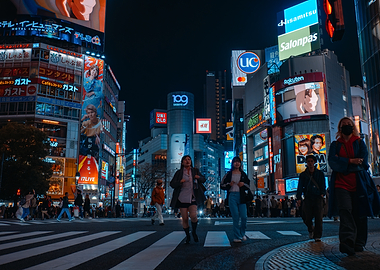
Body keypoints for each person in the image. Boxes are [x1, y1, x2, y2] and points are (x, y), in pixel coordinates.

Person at [328, 117, 380, 255]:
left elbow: (363, 162)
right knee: (345, 211)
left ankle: (359, 242)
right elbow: (333, 162)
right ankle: (347, 241)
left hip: (359, 183)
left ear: (353, 127)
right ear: (339, 128)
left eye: (349, 124)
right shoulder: (335, 144)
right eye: (343, 125)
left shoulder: (359, 143)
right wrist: (351, 161)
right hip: (341, 184)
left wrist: (344, 164)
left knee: (360, 213)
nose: (346, 126)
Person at [170, 155, 206, 244]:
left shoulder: (195, 171)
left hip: (193, 197)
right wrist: (179, 182)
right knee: (185, 218)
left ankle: (193, 231)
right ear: (182, 162)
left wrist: (198, 177)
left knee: (193, 216)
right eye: (185, 160)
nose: (187, 161)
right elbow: (172, 184)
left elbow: (203, 179)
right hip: (182, 197)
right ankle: (188, 236)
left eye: (189, 159)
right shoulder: (179, 172)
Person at [220, 156, 251, 243]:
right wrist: (229, 184)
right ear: (232, 163)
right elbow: (222, 185)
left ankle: (242, 233)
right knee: (235, 217)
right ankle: (237, 236)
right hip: (232, 196)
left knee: (244, 217)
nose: (237, 163)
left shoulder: (243, 174)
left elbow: (248, 185)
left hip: (241, 197)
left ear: (240, 164)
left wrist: (243, 184)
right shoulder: (228, 174)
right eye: (235, 162)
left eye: (238, 162)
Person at [296, 155, 326, 242]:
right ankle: (310, 228)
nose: (310, 163)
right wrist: (299, 198)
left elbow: (323, 185)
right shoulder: (303, 175)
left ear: (314, 162)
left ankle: (317, 235)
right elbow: (300, 186)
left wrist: (322, 194)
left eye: (311, 161)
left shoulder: (320, 173)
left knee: (318, 217)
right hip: (308, 197)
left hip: (317, 197)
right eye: (308, 161)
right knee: (306, 216)